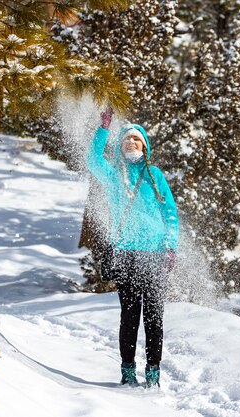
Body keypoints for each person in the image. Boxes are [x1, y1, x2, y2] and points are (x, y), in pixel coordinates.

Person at [86, 108, 179, 388]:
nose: (131, 143)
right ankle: (128, 371)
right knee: (129, 317)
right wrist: (103, 129)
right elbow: (92, 159)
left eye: (136, 140)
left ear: (145, 146)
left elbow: (170, 212)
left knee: (154, 317)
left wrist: (171, 245)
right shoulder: (114, 175)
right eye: (126, 140)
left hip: (153, 254)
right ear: (120, 145)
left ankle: (153, 372)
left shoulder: (156, 176)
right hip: (125, 254)